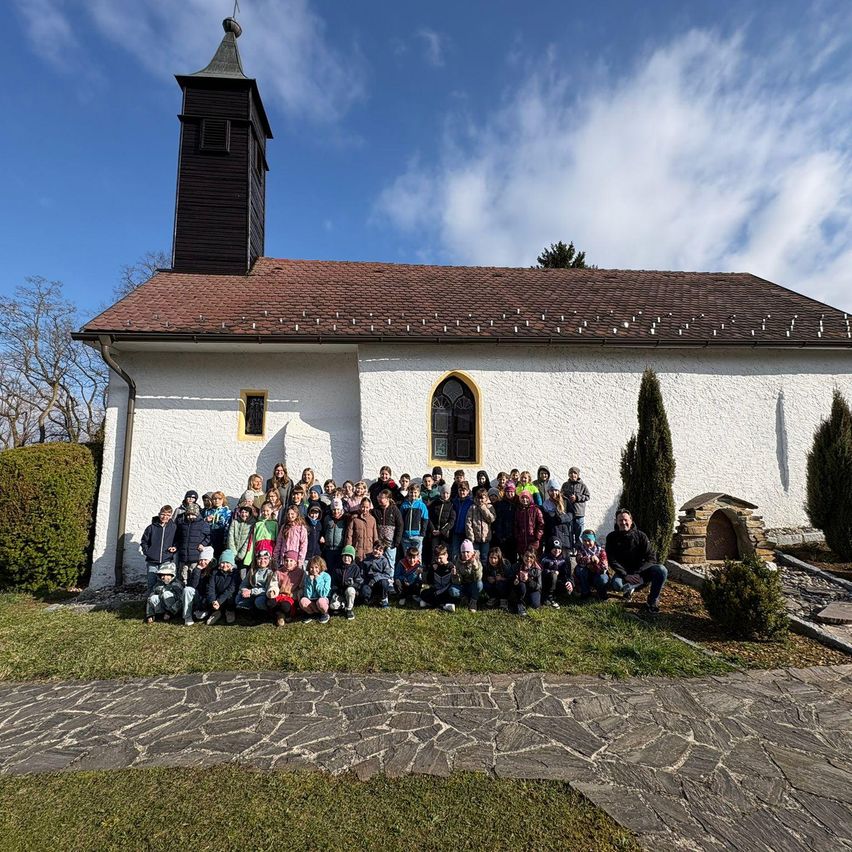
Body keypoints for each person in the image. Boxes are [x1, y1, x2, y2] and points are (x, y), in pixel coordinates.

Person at [605, 509, 668, 613]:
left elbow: (651, 558)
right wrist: (625, 575)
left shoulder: (641, 536)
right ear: (616, 521)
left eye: (625, 519)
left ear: (631, 520)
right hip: (624, 573)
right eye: (620, 520)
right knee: (617, 585)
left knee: (661, 570)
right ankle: (629, 589)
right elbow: (612, 560)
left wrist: (638, 573)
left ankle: (652, 600)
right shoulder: (611, 537)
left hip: (641, 572)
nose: (623, 523)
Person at [140, 505, 177, 593]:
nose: (165, 517)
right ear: (159, 514)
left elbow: (177, 540)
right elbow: (144, 541)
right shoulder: (151, 528)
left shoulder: (173, 527)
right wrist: (148, 552)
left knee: (166, 584)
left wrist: (175, 548)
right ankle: (150, 604)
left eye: (168, 515)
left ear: (170, 516)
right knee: (151, 583)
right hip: (152, 561)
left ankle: (163, 605)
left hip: (166, 560)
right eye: (163, 514)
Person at [174, 503, 211, 584]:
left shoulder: (203, 524)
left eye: (193, 514)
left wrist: (203, 544)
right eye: (188, 514)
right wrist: (177, 546)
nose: (190, 517)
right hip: (183, 556)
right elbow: (179, 537)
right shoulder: (182, 524)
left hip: (195, 555)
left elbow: (208, 536)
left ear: (197, 514)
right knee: (182, 574)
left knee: (193, 575)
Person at [266, 549, 304, 627]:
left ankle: (284, 615)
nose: (288, 563)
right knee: (270, 603)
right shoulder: (279, 572)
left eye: (291, 561)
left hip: (290, 596)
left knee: (285, 606)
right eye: (286, 561)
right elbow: (274, 583)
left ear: (295, 562)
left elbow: (302, 587)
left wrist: (295, 594)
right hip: (279, 595)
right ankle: (280, 616)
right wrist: (273, 591)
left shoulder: (300, 573)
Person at [236, 542, 274, 619]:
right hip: (253, 593)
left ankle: (264, 613)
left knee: (259, 601)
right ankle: (251, 610)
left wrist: (252, 591)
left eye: (265, 558)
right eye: (260, 558)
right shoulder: (253, 571)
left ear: (269, 560)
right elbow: (244, 584)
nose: (262, 561)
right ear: (256, 560)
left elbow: (267, 589)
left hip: (264, 595)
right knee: (238, 599)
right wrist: (244, 590)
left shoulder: (271, 572)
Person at [419, 543, 459, 612]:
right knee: (423, 593)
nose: (438, 560)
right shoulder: (434, 565)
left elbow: (455, 582)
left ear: (446, 555)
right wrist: (432, 570)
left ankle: (431, 603)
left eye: (441, 558)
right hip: (436, 590)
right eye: (437, 558)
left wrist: (454, 574)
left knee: (452, 595)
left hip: (445, 591)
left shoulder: (451, 566)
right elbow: (429, 580)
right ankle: (444, 605)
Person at [204, 548, 239, 625]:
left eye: (227, 562)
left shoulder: (235, 574)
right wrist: (213, 601)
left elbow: (231, 589)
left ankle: (229, 611)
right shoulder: (215, 573)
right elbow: (211, 588)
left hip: (228, 598)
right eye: (222, 562)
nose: (225, 565)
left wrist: (219, 601)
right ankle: (216, 612)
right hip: (217, 598)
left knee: (231, 596)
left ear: (232, 564)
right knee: (209, 596)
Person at [183, 545, 215, 625]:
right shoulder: (196, 570)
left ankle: (208, 612)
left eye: (205, 560)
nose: (202, 562)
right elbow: (192, 587)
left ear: (210, 560)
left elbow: (211, 590)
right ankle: (187, 617)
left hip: (206, 600)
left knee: (200, 616)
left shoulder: (213, 571)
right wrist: (197, 571)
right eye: (201, 559)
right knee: (187, 590)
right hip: (197, 597)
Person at [329, 544, 362, 620]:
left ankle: (349, 609)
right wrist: (335, 591)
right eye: (345, 556)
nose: (346, 558)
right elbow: (333, 582)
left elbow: (359, 582)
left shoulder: (356, 568)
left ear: (352, 558)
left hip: (350, 591)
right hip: (340, 592)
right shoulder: (337, 568)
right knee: (333, 606)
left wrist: (352, 584)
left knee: (350, 590)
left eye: (349, 556)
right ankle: (342, 604)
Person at [562, 467, 591, 553]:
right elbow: (561, 496)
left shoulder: (583, 485)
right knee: (569, 532)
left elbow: (587, 496)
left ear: (578, 475)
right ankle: (570, 549)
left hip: (579, 513)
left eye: (574, 473)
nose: (572, 475)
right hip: (568, 513)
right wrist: (567, 498)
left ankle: (579, 551)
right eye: (571, 473)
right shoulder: (565, 485)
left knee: (579, 534)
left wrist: (577, 497)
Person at [574, 529, 609, 599]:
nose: (587, 543)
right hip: (586, 576)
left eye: (589, 540)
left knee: (603, 578)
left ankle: (601, 594)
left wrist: (597, 561)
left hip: (598, 575)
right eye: (584, 540)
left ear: (594, 540)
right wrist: (590, 559)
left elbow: (604, 568)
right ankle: (585, 592)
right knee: (580, 569)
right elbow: (579, 560)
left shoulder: (601, 550)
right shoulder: (581, 550)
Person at [371, 489, 403, 566]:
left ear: (388, 499)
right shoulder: (376, 510)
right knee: (377, 562)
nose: (379, 499)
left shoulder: (394, 510)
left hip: (391, 543)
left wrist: (397, 542)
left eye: (382, 498)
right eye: (379, 497)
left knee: (390, 562)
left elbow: (400, 525)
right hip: (379, 542)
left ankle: (390, 577)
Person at [464, 488, 495, 564]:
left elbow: (492, 519)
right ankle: (477, 575)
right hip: (475, 538)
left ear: (486, 498)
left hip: (486, 538)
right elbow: (468, 522)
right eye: (479, 498)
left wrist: (483, 508)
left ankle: (485, 574)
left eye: (482, 498)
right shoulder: (472, 508)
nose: (480, 500)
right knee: (475, 558)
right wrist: (471, 536)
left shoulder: (489, 507)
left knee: (485, 557)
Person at [399, 483, 429, 560]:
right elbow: (400, 520)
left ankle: (418, 572)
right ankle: (407, 572)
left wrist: (422, 534)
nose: (413, 494)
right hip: (405, 536)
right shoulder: (404, 505)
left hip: (417, 536)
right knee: (407, 557)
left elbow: (425, 520)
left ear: (419, 493)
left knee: (417, 556)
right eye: (411, 492)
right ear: (408, 492)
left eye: (415, 492)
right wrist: (402, 533)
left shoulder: (421, 505)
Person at [427, 483, 456, 564]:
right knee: (434, 552)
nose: (445, 495)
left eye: (447, 493)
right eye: (443, 493)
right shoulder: (435, 503)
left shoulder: (451, 505)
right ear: (440, 493)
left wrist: (442, 531)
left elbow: (451, 520)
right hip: (434, 533)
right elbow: (429, 517)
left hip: (444, 534)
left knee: (444, 553)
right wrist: (433, 529)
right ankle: (433, 569)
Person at [361, 540, 394, 608]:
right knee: (364, 592)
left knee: (384, 583)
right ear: (373, 548)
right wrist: (364, 582)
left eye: (380, 550)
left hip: (380, 581)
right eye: (376, 549)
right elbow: (362, 573)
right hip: (369, 582)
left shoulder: (384, 560)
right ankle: (372, 598)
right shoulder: (366, 560)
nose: (377, 551)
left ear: (383, 552)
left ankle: (383, 599)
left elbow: (387, 574)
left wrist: (376, 579)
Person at [511, 547, 542, 617]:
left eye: (531, 557)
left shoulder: (538, 569)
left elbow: (539, 586)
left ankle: (526, 599)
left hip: (533, 590)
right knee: (521, 586)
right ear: (522, 556)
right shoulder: (516, 566)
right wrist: (515, 581)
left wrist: (528, 580)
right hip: (520, 588)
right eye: (526, 556)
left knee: (535, 605)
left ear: (534, 559)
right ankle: (520, 605)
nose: (528, 559)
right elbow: (510, 578)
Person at [300, 555, 331, 624]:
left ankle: (325, 613)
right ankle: (311, 613)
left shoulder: (326, 576)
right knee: (303, 601)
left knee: (320, 602)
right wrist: (310, 582)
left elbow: (323, 594)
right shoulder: (307, 577)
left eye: (316, 567)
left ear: (320, 567)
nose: (314, 570)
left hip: (322, 599)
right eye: (311, 567)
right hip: (312, 599)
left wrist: (317, 579)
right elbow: (307, 595)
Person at [454, 539, 483, 612]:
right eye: (463, 552)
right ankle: (465, 599)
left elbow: (478, 578)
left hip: (473, 585)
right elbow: (457, 582)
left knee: (479, 584)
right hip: (463, 586)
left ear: (472, 552)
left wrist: (476, 567)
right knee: (452, 590)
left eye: (468, 552)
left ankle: (473, 601)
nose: (465, 554)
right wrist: (455, 575)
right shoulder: (458, 562)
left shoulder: (477, 560)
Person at [345, 497, 378, 561]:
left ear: (370, 507)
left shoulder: (372, 519)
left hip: (369, 550)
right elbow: (349, 535)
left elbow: (375, 536)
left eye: (367, 507)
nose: (365, 509)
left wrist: (376, 548)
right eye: (363, 507)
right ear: (360, 506)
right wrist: (348, 548)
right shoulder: (354, 518)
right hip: (357, 549)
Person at [227, 502, 255, 577]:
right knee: (232, 573)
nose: (244, 514)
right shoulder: (235, 522)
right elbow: (230, 537)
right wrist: (233, 552)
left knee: (242, 574)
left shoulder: (252, 524)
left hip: (244, 554)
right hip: (233, 553)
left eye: (246, 512)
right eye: (242, 512)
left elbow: (248, 540)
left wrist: (241, 554)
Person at [540, 538, 570, 608]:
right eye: (554, 548)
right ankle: (549, 596)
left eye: (559, 549)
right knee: (553, 576)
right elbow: (541, 570)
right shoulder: (545, 558)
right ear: (550, 549)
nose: (557, 551)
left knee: (567, 591)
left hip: (558, 581)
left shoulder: (563, 559)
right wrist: (551, 572)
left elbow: (565, 573)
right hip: (547, 581)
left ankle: (556, 594)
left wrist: (568, 581)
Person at [493, 482, 517, 564]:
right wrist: (499, 534)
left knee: (513, 557)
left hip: (513, 536)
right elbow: (498, 520)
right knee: (502, 557)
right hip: (502, 535)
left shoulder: (517, 504)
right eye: (508, 492)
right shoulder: (500, 504)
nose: (510, 494)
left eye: (512, 492)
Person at [514, 489, 544, 556]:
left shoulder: (536, 509)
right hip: (522, 541)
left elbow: (541, 524)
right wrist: (518, 536)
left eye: (526, 498)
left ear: (530, 498)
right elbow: (516, 525)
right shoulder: (518, 511)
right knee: (524, 559)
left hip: (534, 541)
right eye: (522, 498)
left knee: (534, 559)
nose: (524, 500)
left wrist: (537, 537)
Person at [321, 498, 348, 573]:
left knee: (337, 569)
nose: (336, 511)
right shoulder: (327, 518)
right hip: (329, 548)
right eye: (334, 509)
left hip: (339, 548)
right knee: (328, 568)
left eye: (338, 509)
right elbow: (324, 529)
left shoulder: (345, 518)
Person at [542, 485, 572, 551]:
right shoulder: (545, 504)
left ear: (558, 491)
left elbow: (571, 514)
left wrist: (562, 518)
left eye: (556, 490)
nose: (554, 492)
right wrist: (551, 516)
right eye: (551, 490)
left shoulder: (565, 501)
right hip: (551, 533)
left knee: (564, 557)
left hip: (563, 534)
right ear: (548, 492)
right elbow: (544, 519)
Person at [450, 480, 473, 559]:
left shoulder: (471, 502)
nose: (462, 492)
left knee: (466, 553)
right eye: (460, 490)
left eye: (464, 490)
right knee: (455, 552)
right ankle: (455, 570)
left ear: (467, 491)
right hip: (456, 531)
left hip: (466, 531)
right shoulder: (454, 501)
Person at [204, 491, 232, 557]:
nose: (217, 501)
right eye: (215, 499)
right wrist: (206, 520)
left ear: (223, 500)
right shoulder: (207, 511)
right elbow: (201, 525)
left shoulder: (227, 512)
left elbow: (228, 527)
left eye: (219, 499)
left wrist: (226, 541)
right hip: (208, 538)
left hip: (221, 538)